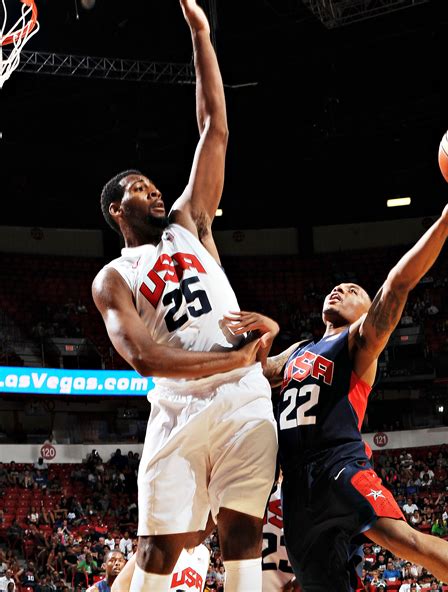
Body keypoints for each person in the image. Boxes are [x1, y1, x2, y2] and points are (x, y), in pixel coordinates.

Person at [91, 2, 278, 591]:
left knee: (243, 533)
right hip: (178, 406)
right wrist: (231, 359)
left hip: (244, 397)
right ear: (117, 210)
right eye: (138, 189)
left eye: (153, 184)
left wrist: (200, 32)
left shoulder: (190, 222)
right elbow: (146, 359)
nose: (153, 190)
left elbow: (214, 129)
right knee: (157, 547)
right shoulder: (113, 277)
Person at [226, 179, 448, 591]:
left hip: (339, 463)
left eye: (353, 290)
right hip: (296, 487)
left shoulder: (358, 341)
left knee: (400, 538)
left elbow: (397, 283)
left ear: (366, 308)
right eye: (336, 288)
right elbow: (245, 373)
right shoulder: (297, 352)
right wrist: (266, 333)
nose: (340, 289)